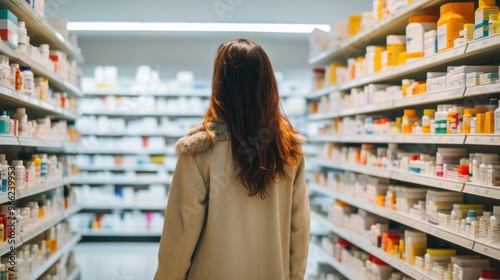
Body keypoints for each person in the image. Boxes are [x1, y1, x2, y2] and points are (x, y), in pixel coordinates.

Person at [154, 38, 310, 280]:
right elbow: (299, 230)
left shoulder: (200, 151)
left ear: (220, 85)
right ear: (268, 85)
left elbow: (182, 233)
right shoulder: (288, 151)